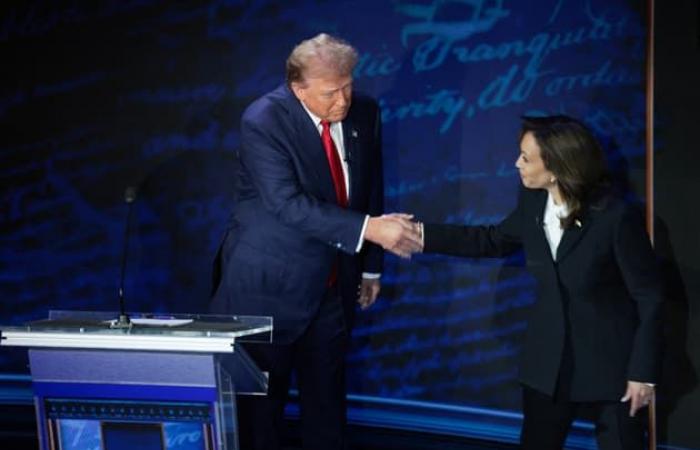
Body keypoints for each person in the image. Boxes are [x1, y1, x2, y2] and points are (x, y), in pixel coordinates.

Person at [210, 33, 421, 450]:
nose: (343, 100)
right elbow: (286, 204)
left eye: (348, 85)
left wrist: (370, 264)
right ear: (297, 87)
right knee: (260, 415)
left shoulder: (364, 111)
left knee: (326, 409)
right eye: (330, 92)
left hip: (332, 284)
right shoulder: (264, 119)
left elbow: (369, 187)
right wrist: (372, 230)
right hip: (267, 289)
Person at [416, 115, 663, 450]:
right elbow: (490, 240)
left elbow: (650, 296)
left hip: (613, 370)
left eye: (526, 158)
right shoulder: (533, 202)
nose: (516, 163)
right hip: (548, 366)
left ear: (558, 168)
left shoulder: (615, 218)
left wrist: (642, 372)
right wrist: (418, 236)